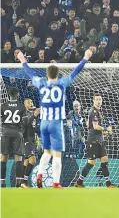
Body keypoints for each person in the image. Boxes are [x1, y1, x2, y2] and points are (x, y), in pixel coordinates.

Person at [17, 49, 93, 188]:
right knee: (57, 154)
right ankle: (56, 183)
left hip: (43, 123)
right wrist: (85, 58)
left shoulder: (41, 83)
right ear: (58, 74)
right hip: (56, 123)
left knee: (47, 152)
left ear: (47, 74)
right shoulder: (62, 83)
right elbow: (75, 72)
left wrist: (23, 60)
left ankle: (39, 175)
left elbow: (30, 73)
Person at [75, 94, 117, 188]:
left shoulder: (98, 111)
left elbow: (90, 126)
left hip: (99, 140)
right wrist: (106, 129)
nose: (98, 101)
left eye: (100, 99)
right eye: (97, 99)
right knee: (91, 162)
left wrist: (105, 132)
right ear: (93, 101)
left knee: (104, 159)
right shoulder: (93, 111)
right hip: (93, 141)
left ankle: (108, 183)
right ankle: (79, 182)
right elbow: (95, 126)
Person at [0, 88, 26, 188]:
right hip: (17, 133)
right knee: (18, 158)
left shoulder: (3, 106)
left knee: (3, 157)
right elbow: (25, 122)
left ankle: (2, 183)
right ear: (18, 95)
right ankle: (18, 183)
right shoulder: (21, 107)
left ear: (9, 95)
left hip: (5, 133)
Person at [21, 99, 41, 188]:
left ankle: (20, 182)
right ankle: (24, 181)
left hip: (32, 139)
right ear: (25, 105)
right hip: (26, 139)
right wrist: (34, 115)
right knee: (33, 160)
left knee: (26, 161)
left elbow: (34, 126)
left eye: (32, 102)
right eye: (29, 103)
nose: (31, 104)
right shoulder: (24, 113)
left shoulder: (33, 112)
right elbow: (26, 124)